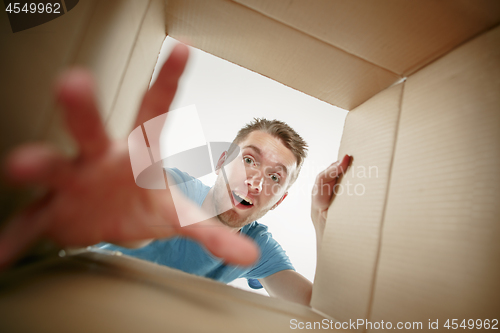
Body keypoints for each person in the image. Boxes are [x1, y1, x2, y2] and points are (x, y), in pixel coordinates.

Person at [0, 43, 351, 306]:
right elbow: (143, 207)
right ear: (221, 162)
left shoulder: (258, 246)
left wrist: (319, 219)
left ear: (279, 200)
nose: (257, 180)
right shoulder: (172, 187)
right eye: (249, 160)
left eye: (276, 177)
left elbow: (315, 308)